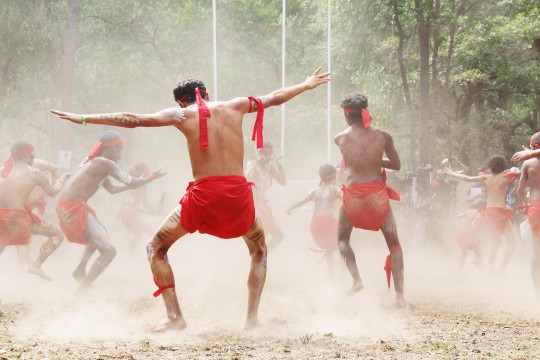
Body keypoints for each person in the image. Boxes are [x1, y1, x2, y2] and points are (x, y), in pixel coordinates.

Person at [50, 67, 330, 331]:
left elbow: (131, 120)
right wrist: (306, 85)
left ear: (182, 103)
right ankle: (252, 319)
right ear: (206, 94)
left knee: (156, 247)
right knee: (259, 249)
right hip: (238, 195)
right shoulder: (237, 105)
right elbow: (274, 98)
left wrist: (85, 118)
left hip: (203, 197)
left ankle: (174, 317)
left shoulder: (182, 115)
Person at [55, 130, 164, 293]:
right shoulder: (106, 163)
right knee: (110, 251)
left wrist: (140, 182)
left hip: (67, 207)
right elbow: (132, 182)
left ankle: (80, 269)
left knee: (98, 237)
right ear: (110, 147)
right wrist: (152, 177)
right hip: (73, 207)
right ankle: (82, 289)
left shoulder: (93, 163)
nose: (120, 154)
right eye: (119, 149)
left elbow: (113, 189)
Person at [333, 92, 405, 307]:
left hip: (354, 194)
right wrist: (376, 159)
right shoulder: (383, 136)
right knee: (394, 244)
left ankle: (356, 280)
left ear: (347, 115)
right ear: (365, 110)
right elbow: (396, 165)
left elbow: (351, 161)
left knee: (342, 239)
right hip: (376, 194)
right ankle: (400, 298)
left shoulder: (340, 138)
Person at [0, 141, 70, 280]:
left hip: (1, 217)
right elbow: (53, 192)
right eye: (32, 154)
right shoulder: (36, 173)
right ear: (27, 155)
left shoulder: (3, 171)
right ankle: (36, 265)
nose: (33, 157)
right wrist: (63, 179)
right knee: (58, 234)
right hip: (19, 218)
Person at [445, 156, 518, 271]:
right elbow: (523, 173)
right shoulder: (505, 176)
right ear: (503, 166)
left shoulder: (486, 178)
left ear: (490, 167)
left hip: (488, 211)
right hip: (500, 211)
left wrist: (452, 173)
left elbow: (467, 178)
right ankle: (502, 268)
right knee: (512, 242)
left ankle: (490, 264)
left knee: (496, 240)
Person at [287, 164, 342, 269]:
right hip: (327, 223)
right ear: (333, 176)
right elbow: (345, 199)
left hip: (315, 224)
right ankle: (344, 273)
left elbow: (301, 201)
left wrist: (291, 208)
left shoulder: (315, 191)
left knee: (330, 248)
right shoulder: (335, 190)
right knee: (343, 245)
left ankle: (331, 274)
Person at [245, 140, 286, 252]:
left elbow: (282, 181)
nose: (268, 157)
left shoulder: (269, 166)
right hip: (251, 204)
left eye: (269, 154)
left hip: (262, 204)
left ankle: (261, 254)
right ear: (258, 153)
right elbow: (248, 185)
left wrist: (280, 164)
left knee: (278, 236)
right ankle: (257, 256)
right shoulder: (252, 166)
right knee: (259, 235)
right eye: (265, 154)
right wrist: (257, 197)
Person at [117, 162, 164, 252]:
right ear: (143, 173)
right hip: (131, 214)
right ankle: (152, 255)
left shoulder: (131, 181)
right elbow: (144, 203)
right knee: (154, 235)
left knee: (138, 235)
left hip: (125, 213)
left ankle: (130, 256)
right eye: (147, 172)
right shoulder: (140, 184)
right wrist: (155, 210)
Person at [516, 132, 540, 298]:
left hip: (536, 207)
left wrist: (528, 201)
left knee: (536, 252)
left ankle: (537, 292)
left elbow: (519, 191)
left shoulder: (528, 164)